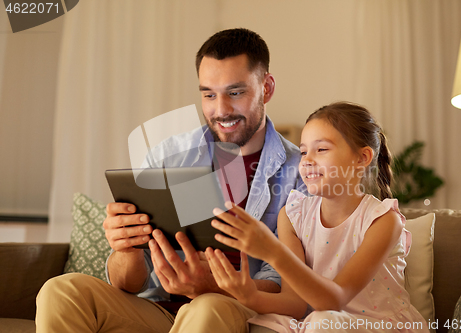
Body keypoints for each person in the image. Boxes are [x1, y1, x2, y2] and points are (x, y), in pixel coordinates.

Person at [35, 28, 305, 333]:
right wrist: (126, 249)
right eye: (208, 94)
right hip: (157, 309)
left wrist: (212, 285)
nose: (221, 110)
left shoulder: (300, 173)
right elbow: (129, 283)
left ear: (266, 88)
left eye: (236, 92)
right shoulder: (169, 156)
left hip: (233, 307)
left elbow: (286, 285)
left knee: (207, 307)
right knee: (61, 291)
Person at [206, 102, 429, 333]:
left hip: (374, 325)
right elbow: (294, 303)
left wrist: (272, 250)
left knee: (323, 322)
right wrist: (249, 295)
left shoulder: (383, 221)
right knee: (268, 325)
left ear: (362, 158)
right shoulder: (293, 216)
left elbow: (335, 299)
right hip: (320, 322)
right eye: (303, 152)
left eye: (321, 149)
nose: (306, 160)